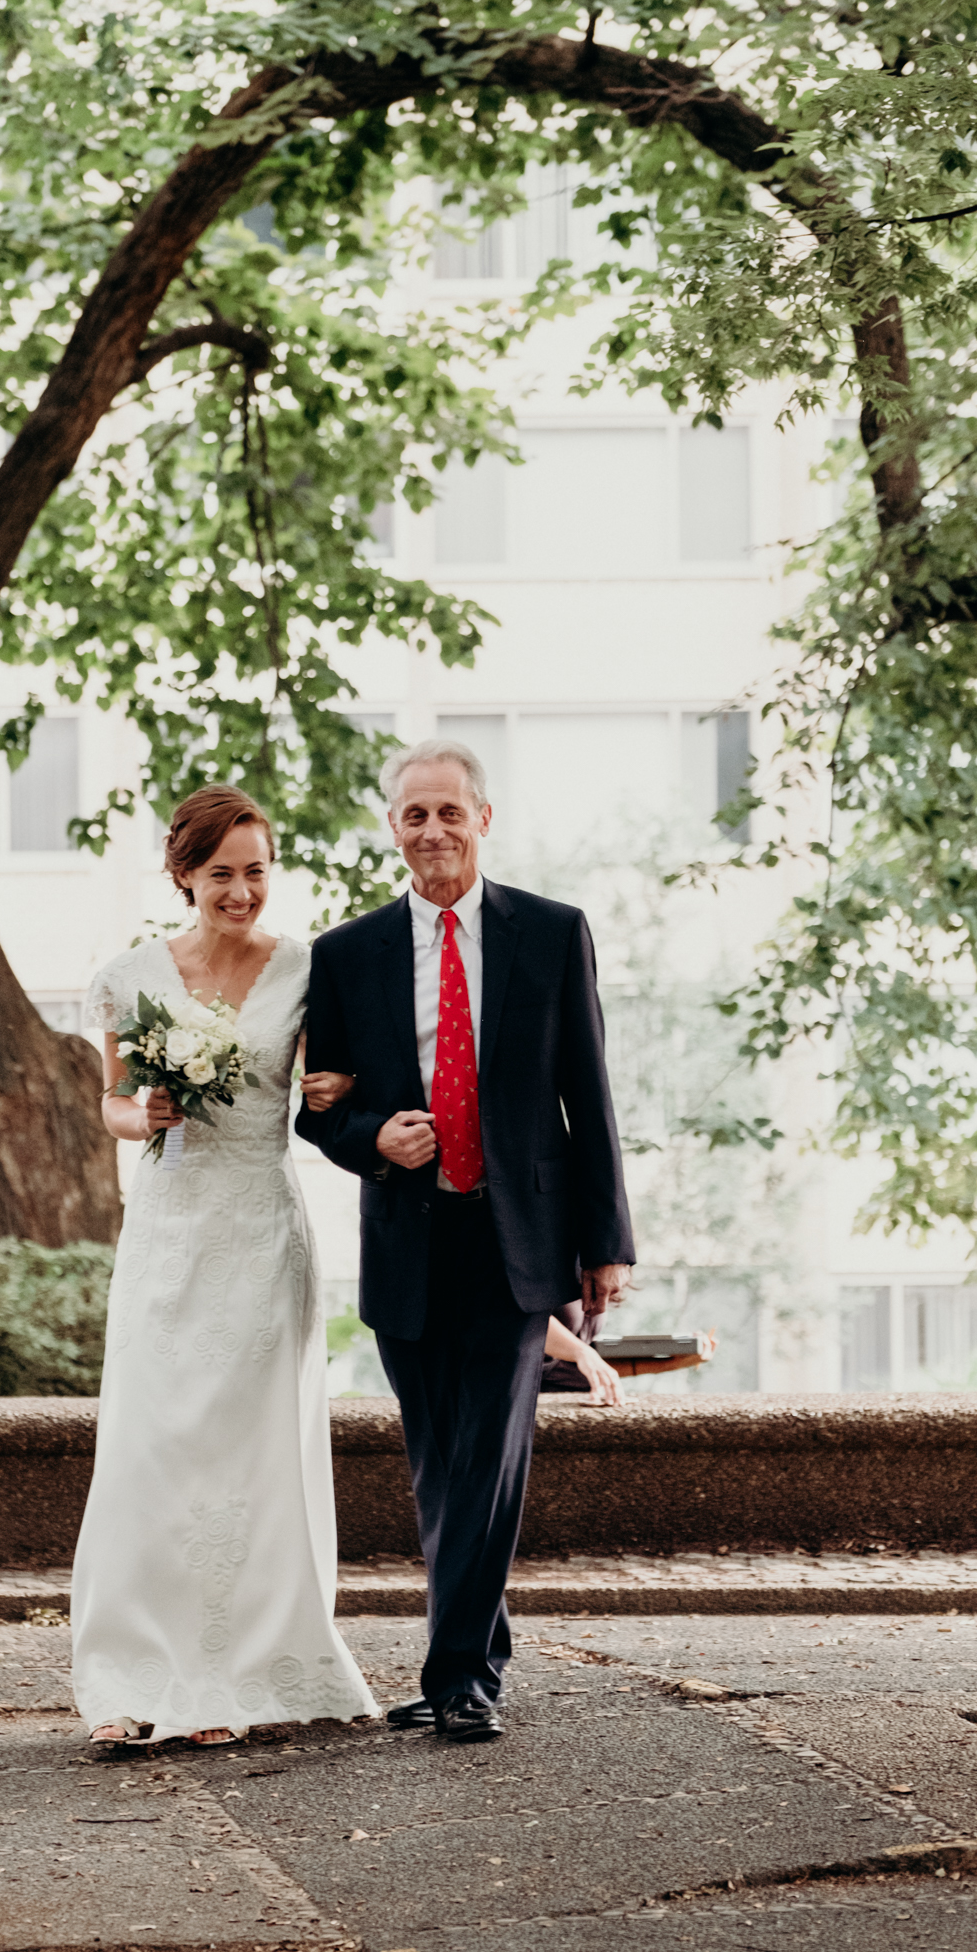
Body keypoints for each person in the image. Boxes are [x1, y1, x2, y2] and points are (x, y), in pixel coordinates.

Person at [296, 738, 635, 1744]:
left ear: (483, 820)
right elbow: (319, 1113)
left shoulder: (551, 932)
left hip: (516, 1233)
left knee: (491, 1451)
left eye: (450, 812)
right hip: (410, 1232)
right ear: (391, 828)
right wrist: (372, 1141)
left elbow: (590, 1093)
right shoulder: (345, 956)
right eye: (413, 815)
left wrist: (605, 1242)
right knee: (440, 1459)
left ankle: (457, 1677)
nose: (432, 830)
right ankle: (472, 1660)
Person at [70, 785, 376, 1748]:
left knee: (254, 1455)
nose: (241, 892)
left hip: (260, 1232)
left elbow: (330, 1087)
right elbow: (114, 1104)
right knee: (154, 1448)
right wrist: (144, 1113)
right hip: (170, 1236)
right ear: (184, 876)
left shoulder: (306, 971)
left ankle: (239, 1673)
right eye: (221, 875)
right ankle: (142, 1672)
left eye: (255, 872)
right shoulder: (130, 977)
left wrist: (334, 1085)